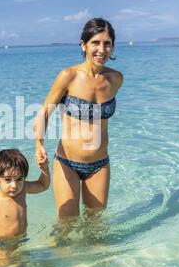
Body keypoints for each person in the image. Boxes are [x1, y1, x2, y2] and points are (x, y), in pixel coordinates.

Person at [34, 18, 124, 218]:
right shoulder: (68, 76)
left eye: (107, 43)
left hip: (100, 164)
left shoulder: (115, 79)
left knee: (96, 227)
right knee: (66, 226)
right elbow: (44, 113)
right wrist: (39, 144)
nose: (102, 49)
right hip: (68, 164)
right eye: (95, 43)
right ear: (84, 45)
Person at [0, 148, 50, 247]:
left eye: (19, 179)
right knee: (6, 263)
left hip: (22, 241)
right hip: (2, 245)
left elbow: (43, 185)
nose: (14, 185)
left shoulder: (23, 189)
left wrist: (44, 168)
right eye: (7, 180)